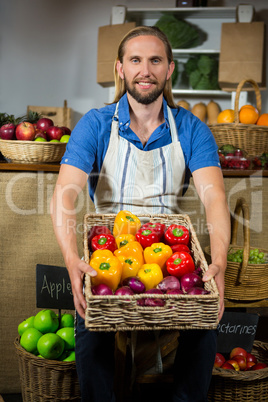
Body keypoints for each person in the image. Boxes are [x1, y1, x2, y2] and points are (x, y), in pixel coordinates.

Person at [50, 26, 230, 402]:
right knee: (89, 322)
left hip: (171, 253)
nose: (144, 70)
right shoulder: (96, 125)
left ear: (169, 69)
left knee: (205, 322)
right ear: (120, 68)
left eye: (154, 60)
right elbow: (63, 195)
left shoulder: (192, 130)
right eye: (135, 60)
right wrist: (71, 259)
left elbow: (214, 199)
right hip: (108, 250)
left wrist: (221, 267)